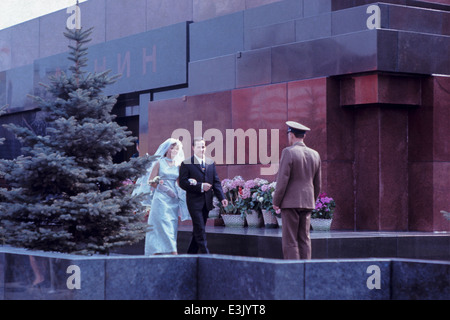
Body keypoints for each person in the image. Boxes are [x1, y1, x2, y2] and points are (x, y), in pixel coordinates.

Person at [272, 121, 321, 260]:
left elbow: (282, 180)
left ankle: (293, 272)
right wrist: (311, 199)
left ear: (291, 135)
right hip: (307, 203)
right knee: (304, 239)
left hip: (290, 204)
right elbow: (318, 184)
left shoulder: (288, 152)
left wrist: (276, 201)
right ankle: (306, 270)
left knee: (290, 240)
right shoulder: (315, 154)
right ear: (303, 136)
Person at [179, 137, 228, 254]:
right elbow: (183, 183)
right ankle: (206, 255)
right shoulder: (186, 163)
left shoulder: (210, 163)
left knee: (198, 229)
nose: (202, 149)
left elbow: (216, 182)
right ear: (193, 148)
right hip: (194, 203)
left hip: (207, 202)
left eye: (203, 146)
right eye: (199, 147)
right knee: (200, 228)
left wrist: (222, 198)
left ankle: (190, 254)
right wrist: (200, 186)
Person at [144, 138, 190, 255]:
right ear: (167, 149)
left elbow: (180, 183)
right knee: (163, 224)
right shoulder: (159, 163)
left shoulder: (178, 165)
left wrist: (190, 183)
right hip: (160, 199)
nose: (174, 150)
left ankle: (166, 251)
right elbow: (151, 181)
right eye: (172, 148)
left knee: (172, 224)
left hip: (173, 199)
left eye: (177, 149)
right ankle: (172, 251)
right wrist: (164, 189)